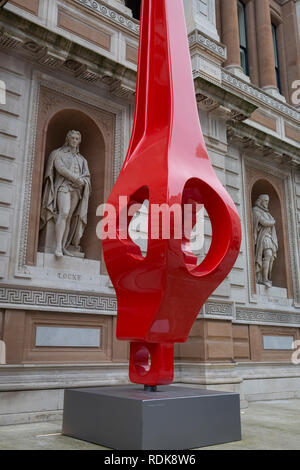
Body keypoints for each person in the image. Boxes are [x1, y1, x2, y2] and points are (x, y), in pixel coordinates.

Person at [40, 130, 91, 258]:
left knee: (69, 218)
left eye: (77, 139)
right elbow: (60, 168)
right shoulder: (57, 153)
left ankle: (63, 247)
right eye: (72, 138)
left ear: (79, 141)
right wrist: (76, 179)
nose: (74, 141)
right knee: (64, 212)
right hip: (63, 187)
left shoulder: (82, 159)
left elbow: (87, 176)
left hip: (76, 190)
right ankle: (57, 247)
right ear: (68, 139)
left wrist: (83, 181)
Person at [252, 194, 278, 288]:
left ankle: (265, 277)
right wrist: (273, 221)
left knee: (271, 258)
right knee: (268, 254)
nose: (267, 203)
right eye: (266, 201)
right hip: (263, 238)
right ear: (261, 201)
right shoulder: (256, 210)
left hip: (269, 237)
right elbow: (264, 222)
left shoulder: (267, 213)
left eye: (268, 201)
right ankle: (264, 279)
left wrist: (272, 221)